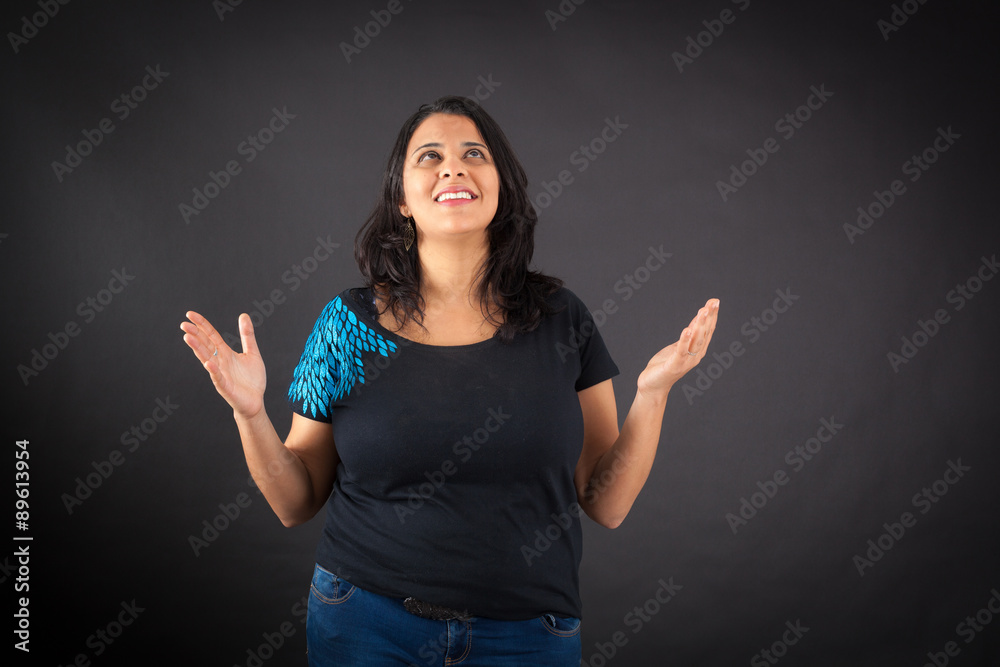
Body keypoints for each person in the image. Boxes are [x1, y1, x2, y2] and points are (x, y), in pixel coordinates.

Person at [180, 95, 719, 666]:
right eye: (430, 156)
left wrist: (653, 394)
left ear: (500, 186)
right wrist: (249, 414)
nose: (453, 168)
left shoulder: (563, 320)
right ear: (401, 199)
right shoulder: (346, 325)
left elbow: (606, 504)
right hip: (365, 626)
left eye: (474, 154)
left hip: (527, 636)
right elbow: (296, 502)